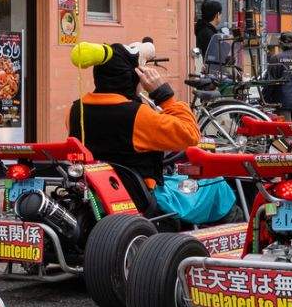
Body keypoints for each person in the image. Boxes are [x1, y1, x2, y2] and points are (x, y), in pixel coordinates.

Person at [66, 41, 229, 224]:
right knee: (217, 185)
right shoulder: (138, 115)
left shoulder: (75, 110)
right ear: (134, 76)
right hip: (142, 198)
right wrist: (163, 94)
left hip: (97, 194)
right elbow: (190, 134)